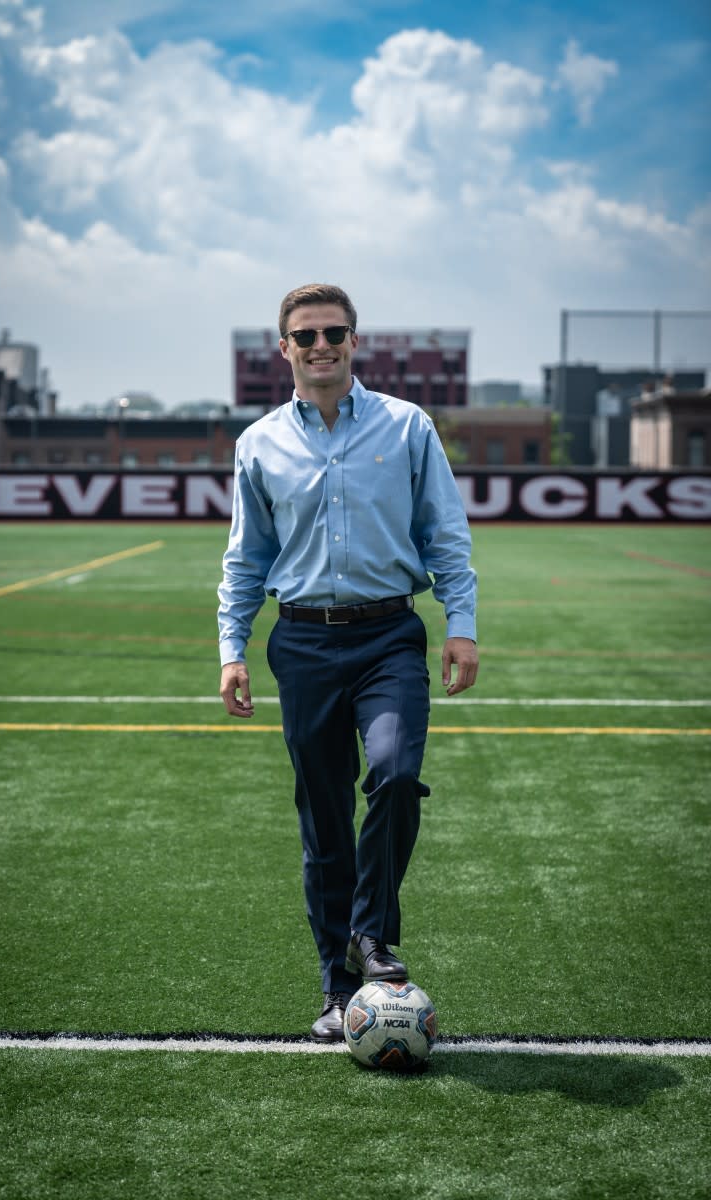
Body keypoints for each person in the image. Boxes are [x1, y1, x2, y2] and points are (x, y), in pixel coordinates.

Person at [218, 283, 478, 1042]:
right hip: (301, 645)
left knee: (394, 775)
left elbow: (445, 533)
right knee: (324, 821)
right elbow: (246, 558)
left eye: (334, 332)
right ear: (286, 349)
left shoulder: (407, 426)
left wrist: (461, 626)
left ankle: (371, 934)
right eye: (306, 336)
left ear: (354, 342)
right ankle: (338, 989)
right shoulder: (259, 442)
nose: (321, 345)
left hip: (389, 636)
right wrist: (232, 648)